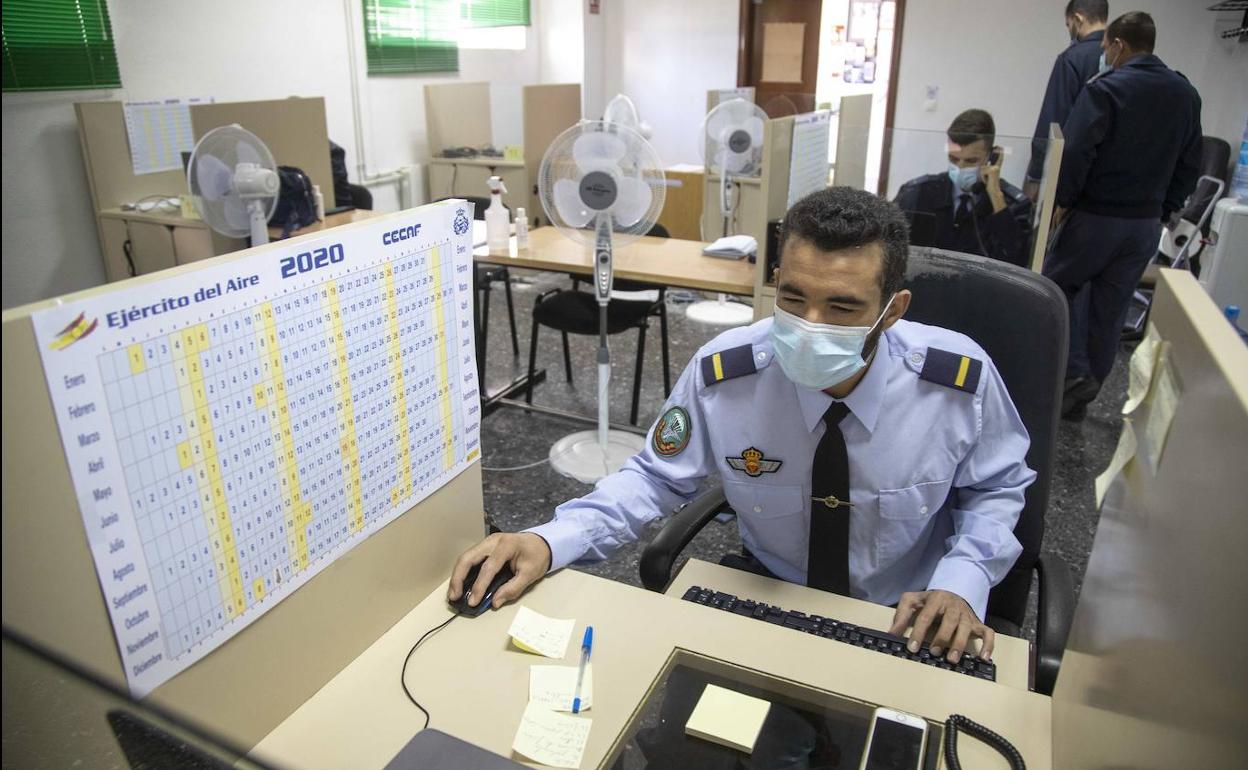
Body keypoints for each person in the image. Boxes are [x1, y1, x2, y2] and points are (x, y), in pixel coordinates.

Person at [449, 186, 1037, 665]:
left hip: (901, 616)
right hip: (767, 599)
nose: (809, 324)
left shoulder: (955, 382)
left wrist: (963, 579)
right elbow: (653, 480)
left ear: (894, 309)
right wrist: (547, 540)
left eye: (842, 307)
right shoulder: (725, 375)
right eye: (793, 296)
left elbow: (996, 488)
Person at [1044, 11, 1202, 420]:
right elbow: (1190, 162)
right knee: (1110, 310)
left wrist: (1064, 200)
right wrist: (1165, 210)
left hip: (1096, 217)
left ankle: (1074, 374)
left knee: (1056, 289)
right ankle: (1084, 393)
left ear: (1118, 45)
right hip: (1145, 225)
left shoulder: (1106, 90)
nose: (1104, 56)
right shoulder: (1186, 93)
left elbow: (1077, 150)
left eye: (1105, 49)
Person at [893, 109, 1033, 268]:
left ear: (992, 157)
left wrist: (995, 196)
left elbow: (1018, 263)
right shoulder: (917, 192)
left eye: (971, 161)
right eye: (953, 159)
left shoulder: (1014, 204)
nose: (960, 167)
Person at [1023, 0, 1110, 201]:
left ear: (1078, 19)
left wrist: (1036, 175)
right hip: (1104, 180)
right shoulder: (1122, 61)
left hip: (1066, 175)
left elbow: (1053, 122)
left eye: (1069, 24)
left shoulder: (1072, 58)